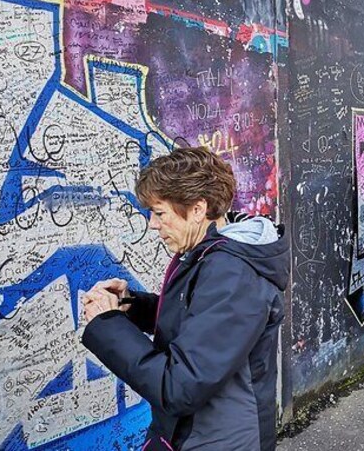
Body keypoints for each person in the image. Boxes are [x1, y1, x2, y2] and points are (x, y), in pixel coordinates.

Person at [81, 147, 289, 451]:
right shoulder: (207, 252)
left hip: (220, 440)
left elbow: (181, 386)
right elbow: (198, 318)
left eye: (160, 212)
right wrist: (132, 306)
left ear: (196, 209)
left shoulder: (234, 274)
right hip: (194, 433)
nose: (153, 224)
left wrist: (107, 325)